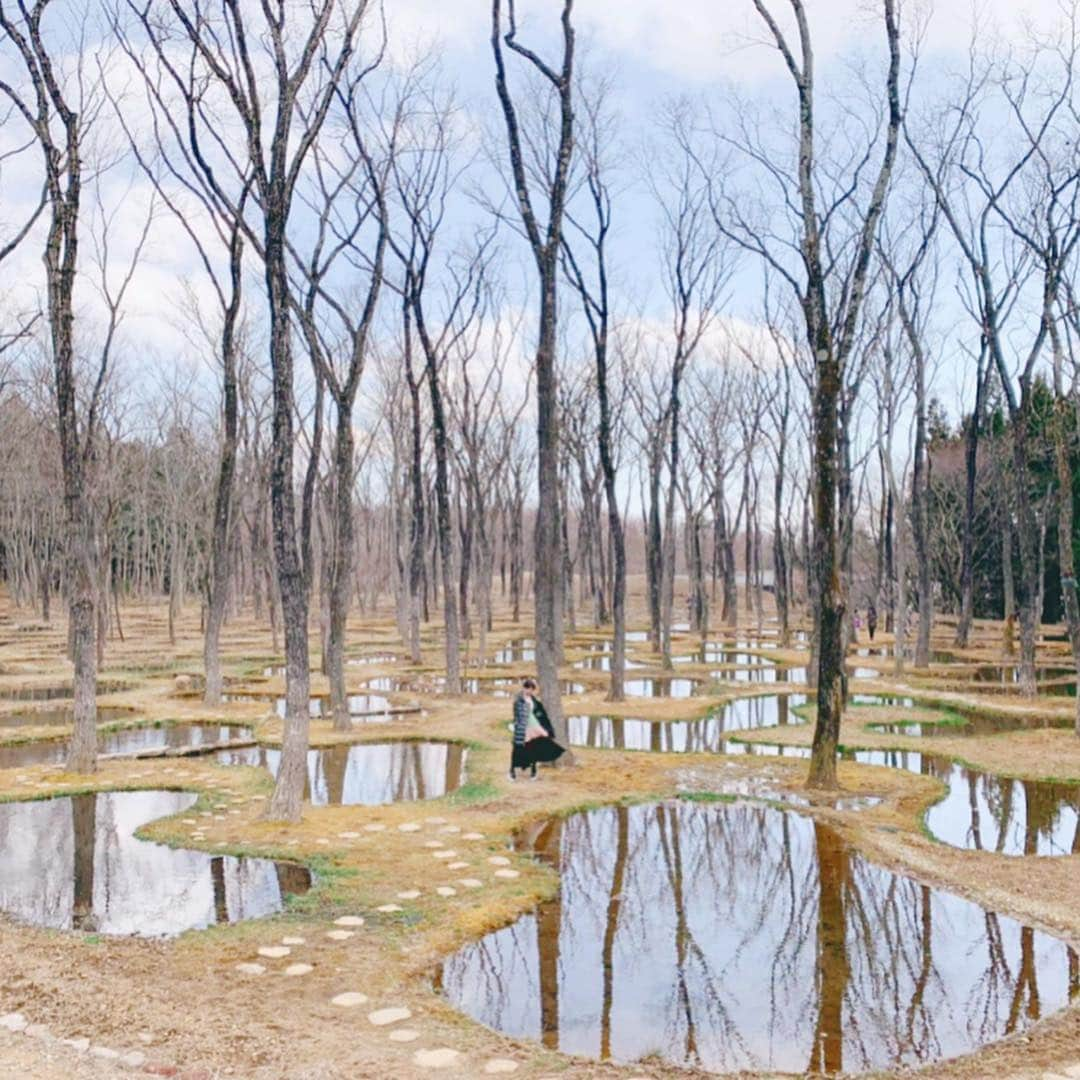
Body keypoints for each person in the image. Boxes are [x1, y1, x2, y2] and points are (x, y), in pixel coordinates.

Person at [510, 678, 565, 781]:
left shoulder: (535, 702)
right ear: (524, 688)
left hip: (534, 727)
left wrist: (545, 727)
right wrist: (515, 725)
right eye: (527, 688)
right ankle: (512, 771)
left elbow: (540, 714)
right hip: (522, 729)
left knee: (534, 748)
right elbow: (516, 716)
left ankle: (533, 772)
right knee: (517, 750)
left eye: (531, 689)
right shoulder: (518, 701)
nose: (529, 691)